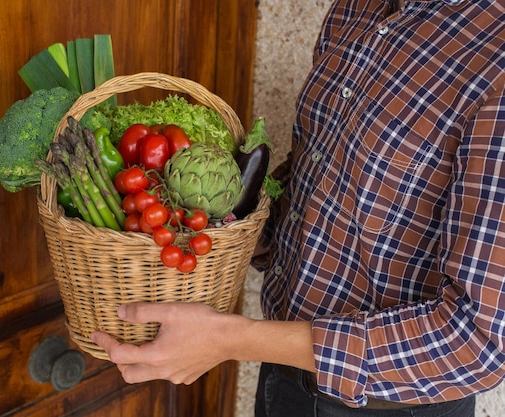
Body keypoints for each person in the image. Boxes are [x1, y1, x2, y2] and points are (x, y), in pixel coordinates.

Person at [92, 0, 505, 415]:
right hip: (281, 377)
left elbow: (479, 341)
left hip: (390, 405)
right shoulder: (357, 9)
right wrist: (198, 221)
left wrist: (233, 339)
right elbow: (315, 186)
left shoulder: (496, 61)